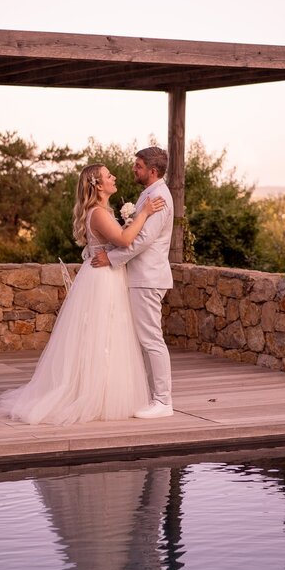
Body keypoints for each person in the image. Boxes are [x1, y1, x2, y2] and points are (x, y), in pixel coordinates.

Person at [0, 164, 165, 424]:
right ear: (97, 185)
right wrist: (144, 213)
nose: (114, 177)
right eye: (108, 176)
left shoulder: (102, 211)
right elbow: (125, 239)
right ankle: (90, 395)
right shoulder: (97, 213)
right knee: (99, 335)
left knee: (109, 336)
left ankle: (105, 393)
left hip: (109, 275)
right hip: (102, 280)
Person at [91, 147, 174, 418]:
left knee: (151, 340)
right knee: (142, 339)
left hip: (147, 278)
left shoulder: (159, 197)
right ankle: (151, 397)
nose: (133, 170)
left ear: (152, 171)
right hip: (139, 277)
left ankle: (163, 401)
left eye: (138, 166)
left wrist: (111, 258)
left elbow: (141, 241)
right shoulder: (148, 194)